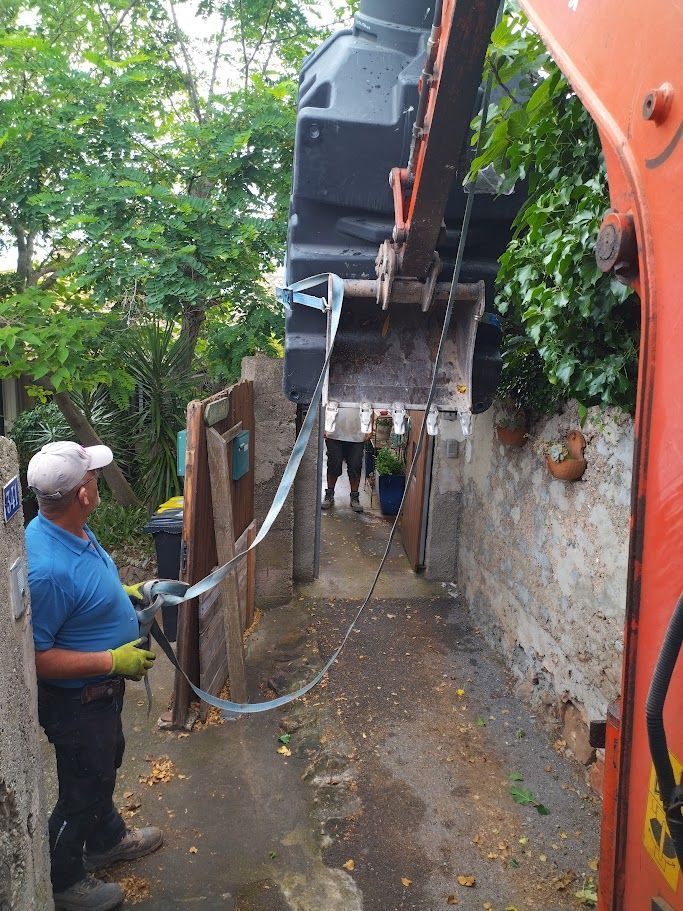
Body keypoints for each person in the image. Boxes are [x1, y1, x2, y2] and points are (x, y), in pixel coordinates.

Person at [26, 441, 162, 911]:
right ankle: (62, 879)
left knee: (104, 764)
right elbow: (38, 657)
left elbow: (89, 580)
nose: (97, 481)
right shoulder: (44, 569)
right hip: (77, 702)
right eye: (93, 478)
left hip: (98, 697)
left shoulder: (66, 528)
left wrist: (124, 591)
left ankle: (106, 840)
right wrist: (112, 661)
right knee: (83, 787)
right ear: (82, 495)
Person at [322, 404, 370, 513]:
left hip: (357, 432)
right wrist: (323, 424)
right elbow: (324, 401)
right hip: (334, 431)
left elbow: (369, 403)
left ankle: (354, 497)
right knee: (334, 463)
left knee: (355, 465)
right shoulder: (333, 386)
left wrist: (369, 427)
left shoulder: (362, 388)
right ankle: (329, 494)